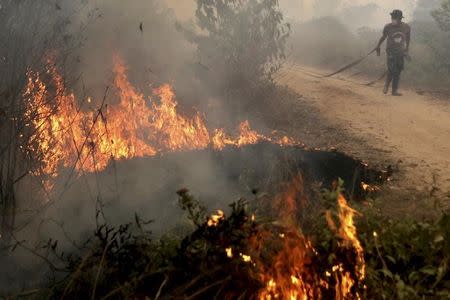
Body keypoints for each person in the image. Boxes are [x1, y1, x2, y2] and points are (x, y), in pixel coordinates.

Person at [376, 9, 411, 96]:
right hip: (390, 51)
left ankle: (394, 91)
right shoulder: (388, 27)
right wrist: (378, 46)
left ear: (400, 18)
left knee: (398, 71)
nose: (393, 19)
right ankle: (386, 85)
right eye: (392, 17)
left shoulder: (406, 27)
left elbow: (408, 39)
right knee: (392, 69)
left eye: (395, 17)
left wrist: (406, 50)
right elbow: (383, 37)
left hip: (400, 52)